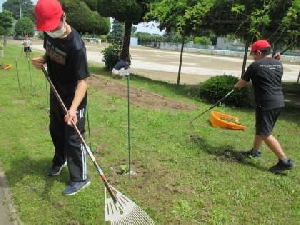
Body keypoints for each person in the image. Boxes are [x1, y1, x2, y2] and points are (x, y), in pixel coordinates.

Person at [32, 0, 90, 195]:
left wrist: (73, 109)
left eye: (53, 26)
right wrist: (43, 60)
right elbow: (50, 52)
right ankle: (60, 159)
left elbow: (83, 82)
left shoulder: (76, 46)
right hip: (56, 92)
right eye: (46, 27)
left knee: (73, 138)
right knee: (55, 130)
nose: (50, 30)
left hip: (74, 97)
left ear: (63, 16)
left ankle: (81, 177)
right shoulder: (48, 33)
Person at [234, 39, 295, 173]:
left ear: (259, 52)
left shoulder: (255, 66)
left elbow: (242, 82)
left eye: (253, 54)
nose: (253, 57)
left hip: (266, 103)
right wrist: (273, 61)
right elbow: (269, 69)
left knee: (265, 132)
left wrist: (235, 87)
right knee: (261, 127)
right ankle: (255, 151)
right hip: (278, 102)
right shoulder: (279, 64)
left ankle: (284, 161)